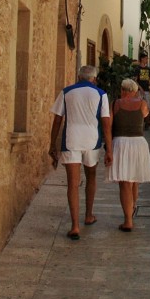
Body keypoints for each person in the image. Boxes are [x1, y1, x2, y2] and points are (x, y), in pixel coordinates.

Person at [48, 65, 113, 241]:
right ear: (94, 78)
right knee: (91, 176)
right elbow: (106, 123)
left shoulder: (66, 92)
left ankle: (75, 225)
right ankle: (89, 214)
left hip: (71, 140)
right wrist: (109, 148)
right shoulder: (101, 94)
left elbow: (57, 120)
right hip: (92, 140)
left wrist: (52, 144)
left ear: (78, 77)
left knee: (73, 183)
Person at [107, 78, 150, 232]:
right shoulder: (142, 104)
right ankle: (131, 210)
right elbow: (145, 115)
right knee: (134, 180)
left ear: (123, 90)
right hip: (139, 143)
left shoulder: (115, 104)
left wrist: (108, 148)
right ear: (134, 90)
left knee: (124, 182)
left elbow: (108, 126)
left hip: (121, 143)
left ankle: (127, 220)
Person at [135, 52, 150, 128]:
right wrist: (140, 88)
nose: (147, 60)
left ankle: (146, 123)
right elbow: (135, 80)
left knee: (148, 107)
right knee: (139, 107)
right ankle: (140, 124)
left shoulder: (148, 69)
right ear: (142, 59)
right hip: (139, 91)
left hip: (147, 90)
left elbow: (149, 79)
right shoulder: (137, 69)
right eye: (146, 58)